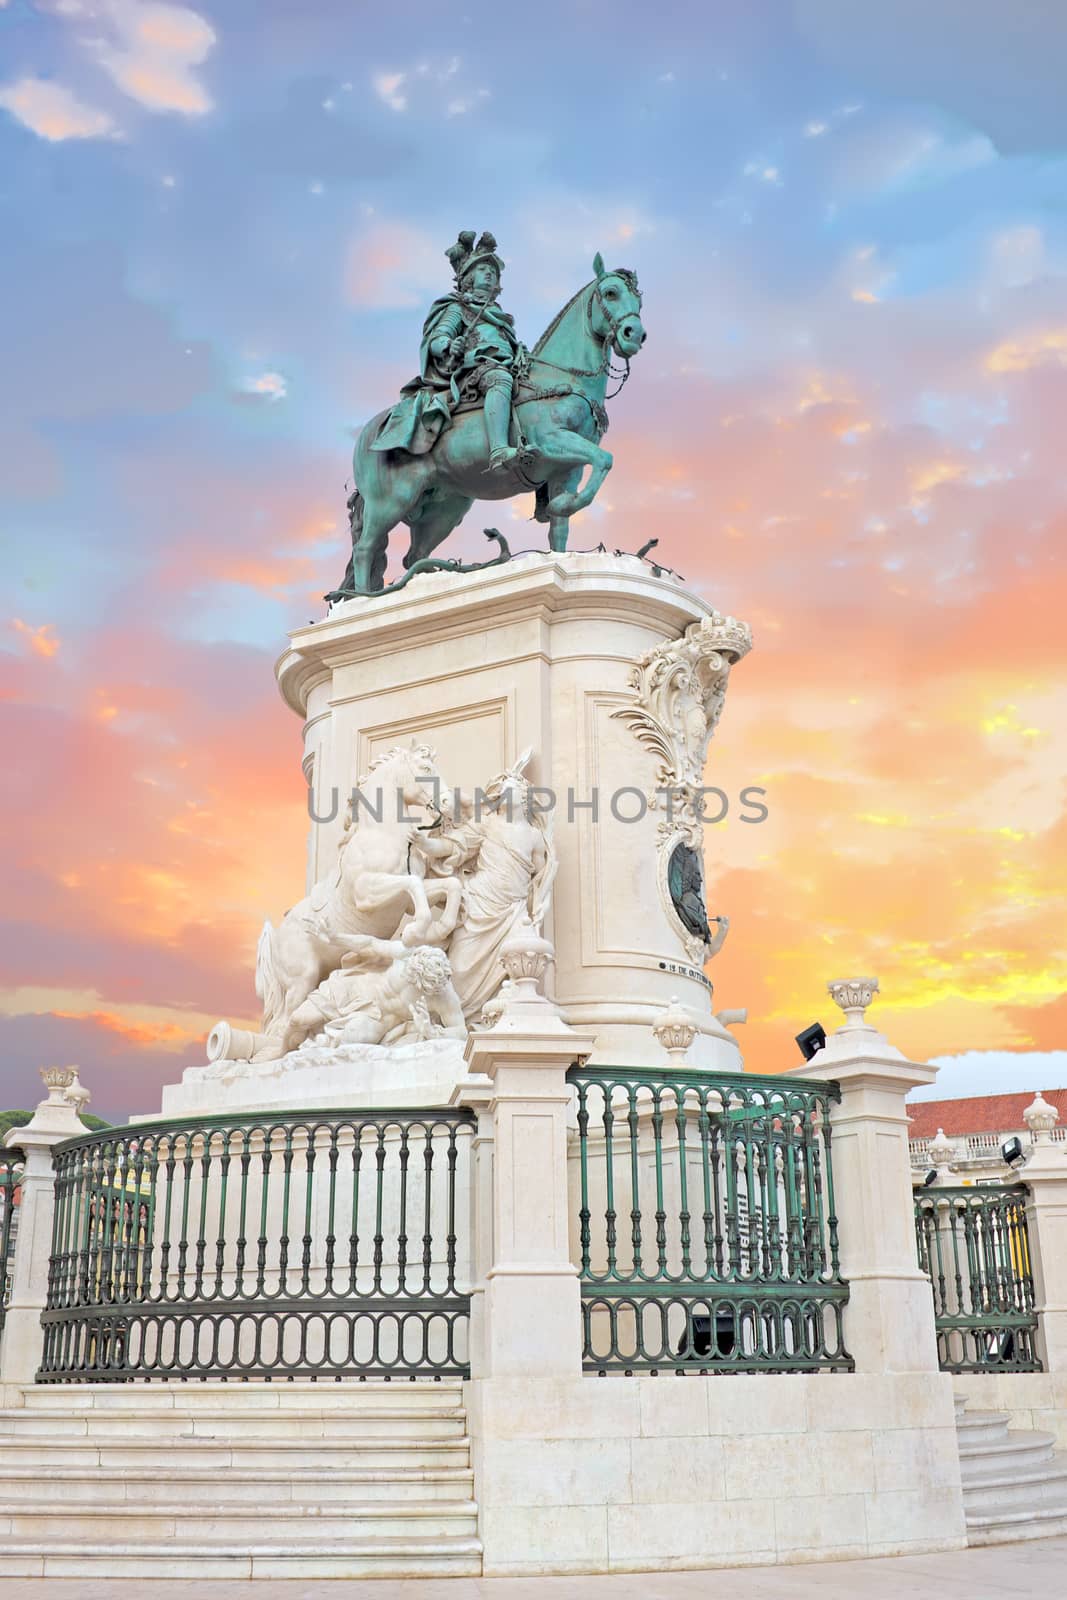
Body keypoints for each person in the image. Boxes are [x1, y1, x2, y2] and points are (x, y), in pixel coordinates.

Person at [372, 230, 526, 468]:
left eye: (493, 272)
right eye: (482, 270)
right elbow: (437, 338)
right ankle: (498, 450)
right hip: (475, 369)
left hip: (509, 364)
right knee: (500, 380)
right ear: (469, 278)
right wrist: (450, 345)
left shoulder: (502, 318)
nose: (489, 274)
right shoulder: (457, 307)